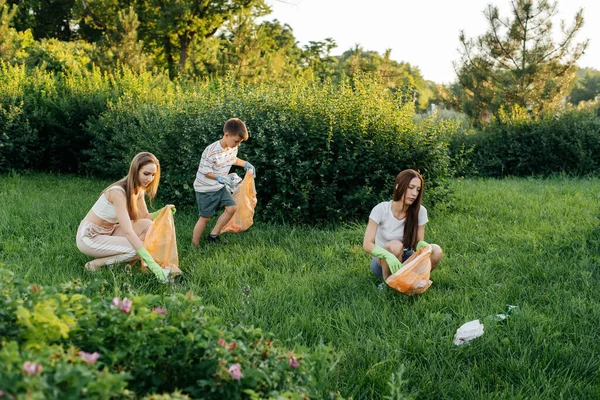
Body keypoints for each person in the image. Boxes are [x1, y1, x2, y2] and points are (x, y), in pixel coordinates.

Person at [76, 152, 174, 283]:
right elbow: (128, 231)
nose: (150, 179)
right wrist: (152, 264)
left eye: (153, 175)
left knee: (146, 225)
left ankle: (125, 264)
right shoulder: (117, 192)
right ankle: (95, 264)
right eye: (146, 174)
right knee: (138, 248)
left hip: (109, 232)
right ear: (135, 170)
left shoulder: (138, 190)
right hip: (89, 237)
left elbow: (145, 216)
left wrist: (164, 210)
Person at [363, 169, 443, 280]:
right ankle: (388, 284)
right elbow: (367, 244)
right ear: (398, 186)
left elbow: (418, 242)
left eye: (418, 190)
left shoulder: (420, 211)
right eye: (410, 188)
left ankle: (414, 281)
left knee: (436, 250)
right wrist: (388, 255)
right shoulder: (381, 209)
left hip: (407, 256)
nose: (414, 193)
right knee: (395, 245)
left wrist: (421, 245)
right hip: (383, 261)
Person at [192, 118, 256, 247]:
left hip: (220, 186)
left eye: (240, 142)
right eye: (236, 141)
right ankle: (195, 245)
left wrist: (246, 164)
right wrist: (218, 177)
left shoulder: (231, 148)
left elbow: (233, 159)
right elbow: (206, 172)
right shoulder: (211, 151)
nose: (238, 145)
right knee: (205, 218)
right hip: (205, 188)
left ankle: (213, 235)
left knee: (232, 208)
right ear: (226, 135)